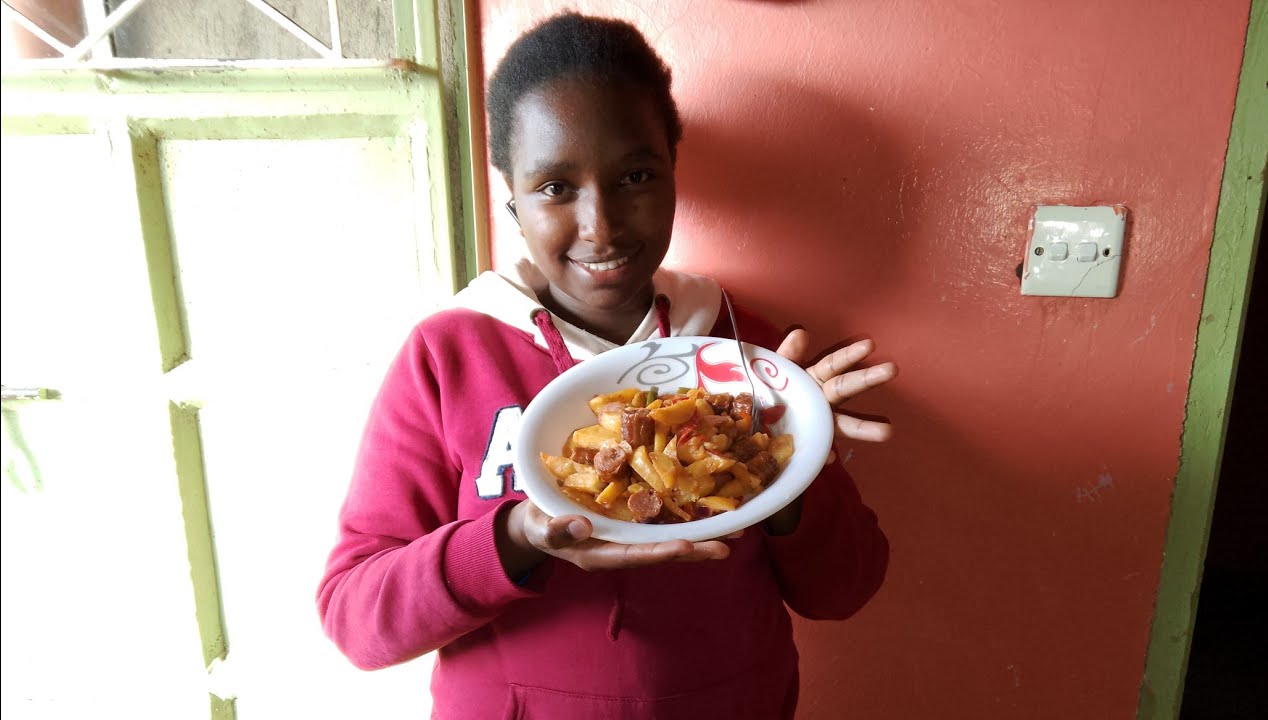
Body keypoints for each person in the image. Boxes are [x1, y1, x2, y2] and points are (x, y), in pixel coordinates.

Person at [317, 12, 896, 720]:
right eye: (556, 187)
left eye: (636, 176)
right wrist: (517, 539)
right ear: (513, 198)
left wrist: (792, 463)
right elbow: (355, 617)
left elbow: (846, 589)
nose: (601, 225)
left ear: (674, 176)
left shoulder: (748, 349)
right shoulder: (447, 358)